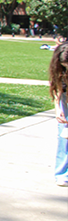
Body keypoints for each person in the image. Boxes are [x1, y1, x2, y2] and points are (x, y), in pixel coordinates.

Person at [48, 42, 68, 187]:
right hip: (65, 101)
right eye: (64, 65)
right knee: (64, 137)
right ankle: (62, 174)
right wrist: (57, 109)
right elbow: (57, 90)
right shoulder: (59, 69)